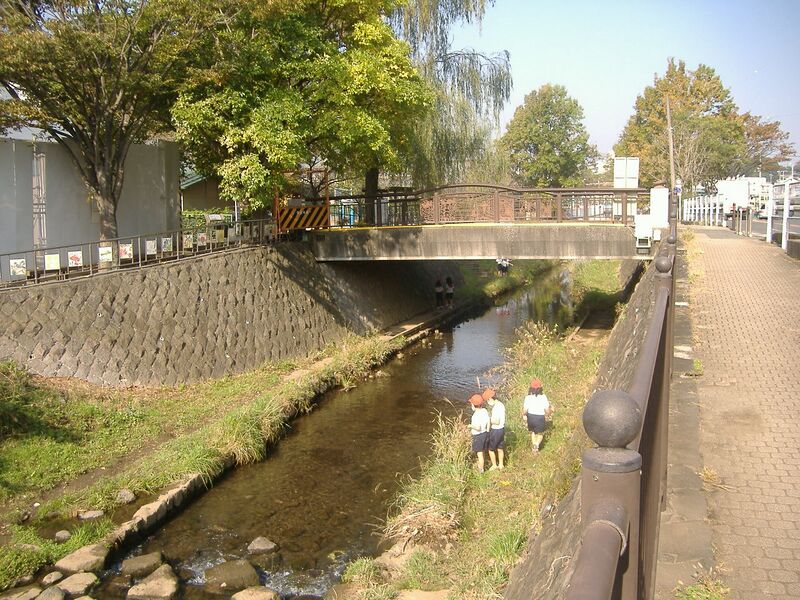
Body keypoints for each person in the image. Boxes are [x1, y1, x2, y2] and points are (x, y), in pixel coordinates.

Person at [521, 378, 552, 452]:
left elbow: (525, 411)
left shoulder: (528, 397)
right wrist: (550, 413)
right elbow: (547, 411)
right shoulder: (543, 397)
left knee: (533, 432)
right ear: (540, 388)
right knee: (540, 433)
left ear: (531, 388)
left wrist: (523, 415)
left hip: (531, 417)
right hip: (540, 417)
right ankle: (536, 445)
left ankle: (534, 444)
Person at [483, 387, 505, 470]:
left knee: (490, 449)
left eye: (487, 401)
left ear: (490, 398)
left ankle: (494, 465)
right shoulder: (501, 404)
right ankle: (501, 465)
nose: (488, 403)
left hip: (496, 430)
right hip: (502, 429)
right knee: (500, 448)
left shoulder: (496, 408)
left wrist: (489, 418)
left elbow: (496, 421)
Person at [469, 393, 490, 473]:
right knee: (483, 451)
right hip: (485, 433)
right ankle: (482, 465)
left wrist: (470, 426)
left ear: (473, 405)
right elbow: (488, 422)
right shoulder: (484, 411)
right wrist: (488, 432)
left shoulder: (475, 416)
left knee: (479, 454)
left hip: (478, 436)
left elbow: (477, 428)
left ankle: (481, 470)